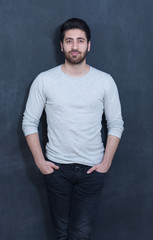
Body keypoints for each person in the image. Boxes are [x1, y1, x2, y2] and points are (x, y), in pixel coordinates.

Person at [22, 18, 124, 240]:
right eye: (69, 41)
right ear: (61, 45)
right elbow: (29, 121)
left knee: (80, 234)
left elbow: (116, 123)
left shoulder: (105, 81)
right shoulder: (45, 80)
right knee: (61, 234)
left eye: (80, 40)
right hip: (56, 169)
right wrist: (40, 163)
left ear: (89, 45)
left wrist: (105, 163)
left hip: (91, 171)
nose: (74, 46)